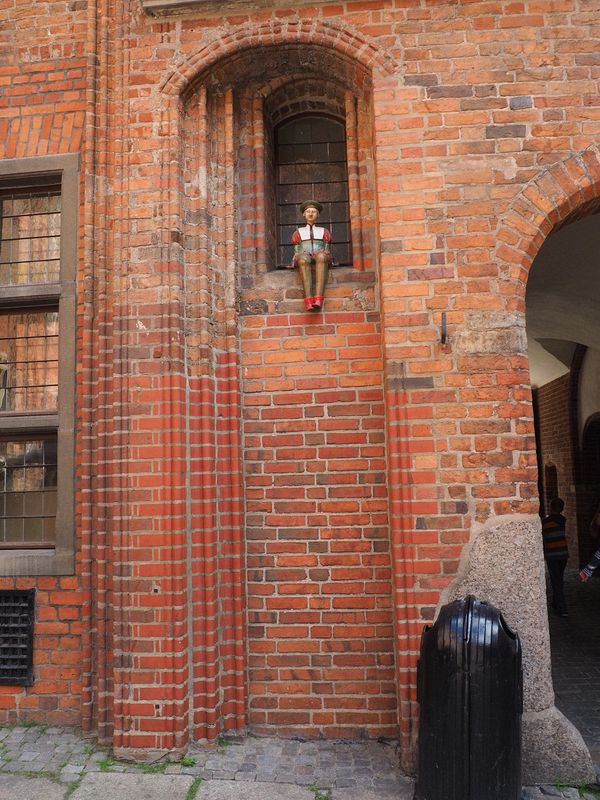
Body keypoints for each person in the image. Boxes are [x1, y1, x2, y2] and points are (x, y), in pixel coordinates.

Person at [290, 200, 332, 312]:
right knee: (303, 259)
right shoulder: (298, 232)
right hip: (305, 255)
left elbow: (327, 249)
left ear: (317, 214)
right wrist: (300, 254)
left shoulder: (324, 231)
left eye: (313, 211)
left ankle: (318, 298)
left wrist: (323, 252)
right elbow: (296, 250)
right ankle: (308, 300)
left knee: (321, 257)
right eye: (308, 211)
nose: (310, 214)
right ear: (304, 214)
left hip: (320, 254)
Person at [542, 497, 569, 616]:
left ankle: (562, 609)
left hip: (552, 554)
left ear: (551, 507)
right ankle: (555, 602)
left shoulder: (546, 522)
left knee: (556, 581)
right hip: (563, 554)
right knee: (559, 579)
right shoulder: (563, 519)